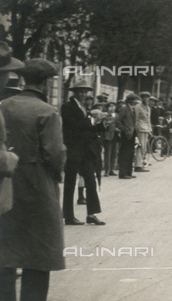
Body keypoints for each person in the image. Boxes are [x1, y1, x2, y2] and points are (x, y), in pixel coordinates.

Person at [0, 58, 66, 301]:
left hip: (5, 182)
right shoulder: (48, 111)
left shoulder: (3, 105)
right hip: (38, 183)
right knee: (39, 253)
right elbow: (55, 153)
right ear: (46, 83)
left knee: (5, 251)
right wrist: (56, 175)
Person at [61, 79, 107, 226]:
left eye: (86, 91)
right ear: (74, 92)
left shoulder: (84, 108)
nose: (84, 94)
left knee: (91, 182)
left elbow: (87, 129)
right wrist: (92, 123)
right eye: (81, 91)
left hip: (85, 150)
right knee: (70, 183)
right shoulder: (67, 107)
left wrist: (102, 125)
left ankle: (91, 214)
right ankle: (68, 216)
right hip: (73, 149)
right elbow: (73, 126)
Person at [116, 94, 139, 179]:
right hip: (126, 134)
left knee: (130, 153)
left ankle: (129, 172)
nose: (134, 103)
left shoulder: (133, 109)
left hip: (132, 134)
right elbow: (118, 121)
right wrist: (124, 129)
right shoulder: (124, 109)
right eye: (132, 102)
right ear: (129, 101)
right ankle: (123, 173)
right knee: (124, 153)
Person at [133, 91, 152, 172]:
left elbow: (148, 120)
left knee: (144, 148)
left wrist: (150, 130)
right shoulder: (138, 107)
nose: (145, 98)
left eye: (147, 97)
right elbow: (135, 119)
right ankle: (138, 165)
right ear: (141, 98)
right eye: (144, 97)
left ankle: (140, 163)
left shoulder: (148, 108)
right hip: (140, 129)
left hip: (146, 130)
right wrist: (136, 129)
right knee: (140, 147)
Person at [103, 102, 119, 177]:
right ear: (107, 107)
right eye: (110, 106)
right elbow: (104, 124)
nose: (112, 108)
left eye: (113, 106)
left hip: (115, 135)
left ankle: (111, 169)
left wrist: (118, 128)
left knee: (114, 153)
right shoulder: (105, 115)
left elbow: (118, 123)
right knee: (107, 153)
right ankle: (106, 170)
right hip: (108, 136)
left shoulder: (116, 115)